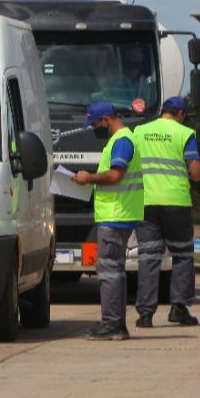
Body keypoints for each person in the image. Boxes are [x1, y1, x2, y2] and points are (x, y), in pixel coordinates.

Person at [74, 101, 145, 341]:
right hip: (118, 214)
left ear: (105, 119)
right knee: (114, 270)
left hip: (117, 215)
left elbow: (116, 175)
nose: (95, 128)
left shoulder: (122, 141)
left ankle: (112, 324)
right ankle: (116, 323)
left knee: (109, 271)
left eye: (95, 123)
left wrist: (89, 177)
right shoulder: (120, 140)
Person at [132, 96, 200, 328]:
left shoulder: (139, 132)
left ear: (162, 111)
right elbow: (195, 171)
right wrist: (199, 173)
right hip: (176, 203)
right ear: (181, 114)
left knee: (148, 257)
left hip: (145, 201)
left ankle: (145, 314)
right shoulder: (184, 134)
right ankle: (179, 308)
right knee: (182, 255)